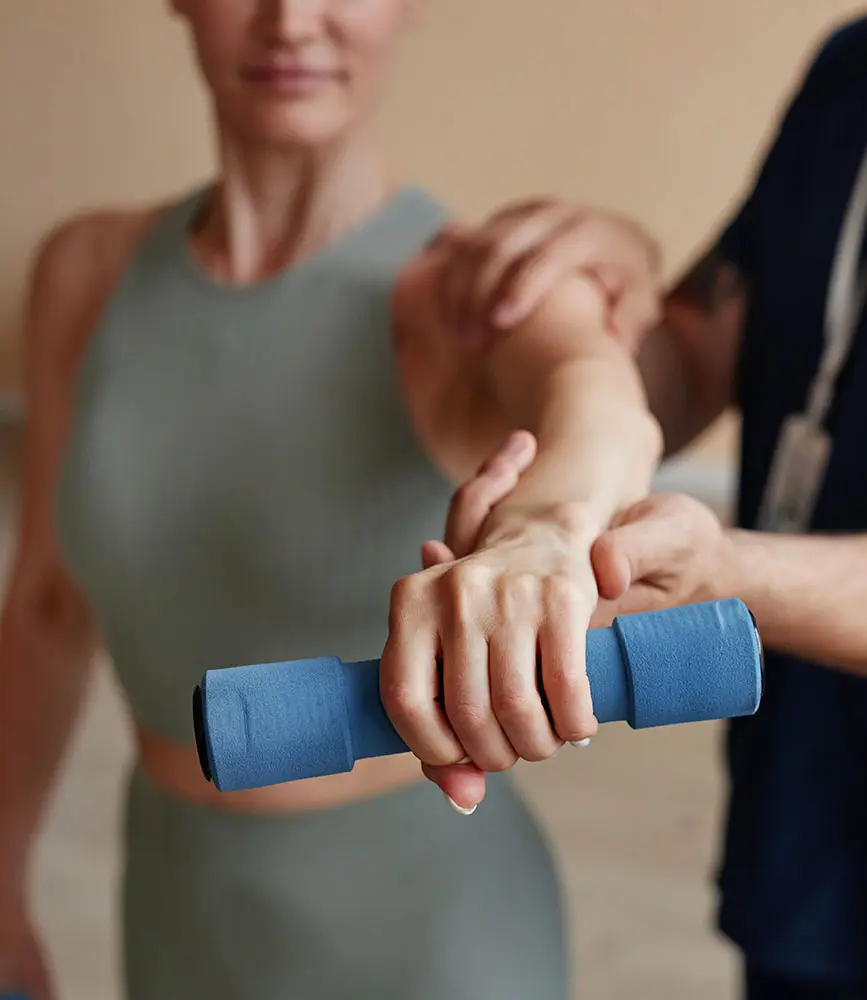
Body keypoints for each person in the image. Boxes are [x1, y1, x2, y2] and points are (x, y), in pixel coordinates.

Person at [0, 2, 664, 999]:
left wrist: (548, 528)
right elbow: (49, 606)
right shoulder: (84, 273)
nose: (290, 21)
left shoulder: (476, 286)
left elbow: (601, 406)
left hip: (432, 941)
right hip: (175, 913)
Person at [430, 13, 867, 999]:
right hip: (801, 819)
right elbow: (693, 353)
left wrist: (723, 573)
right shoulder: (850, 73)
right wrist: (590, 289)